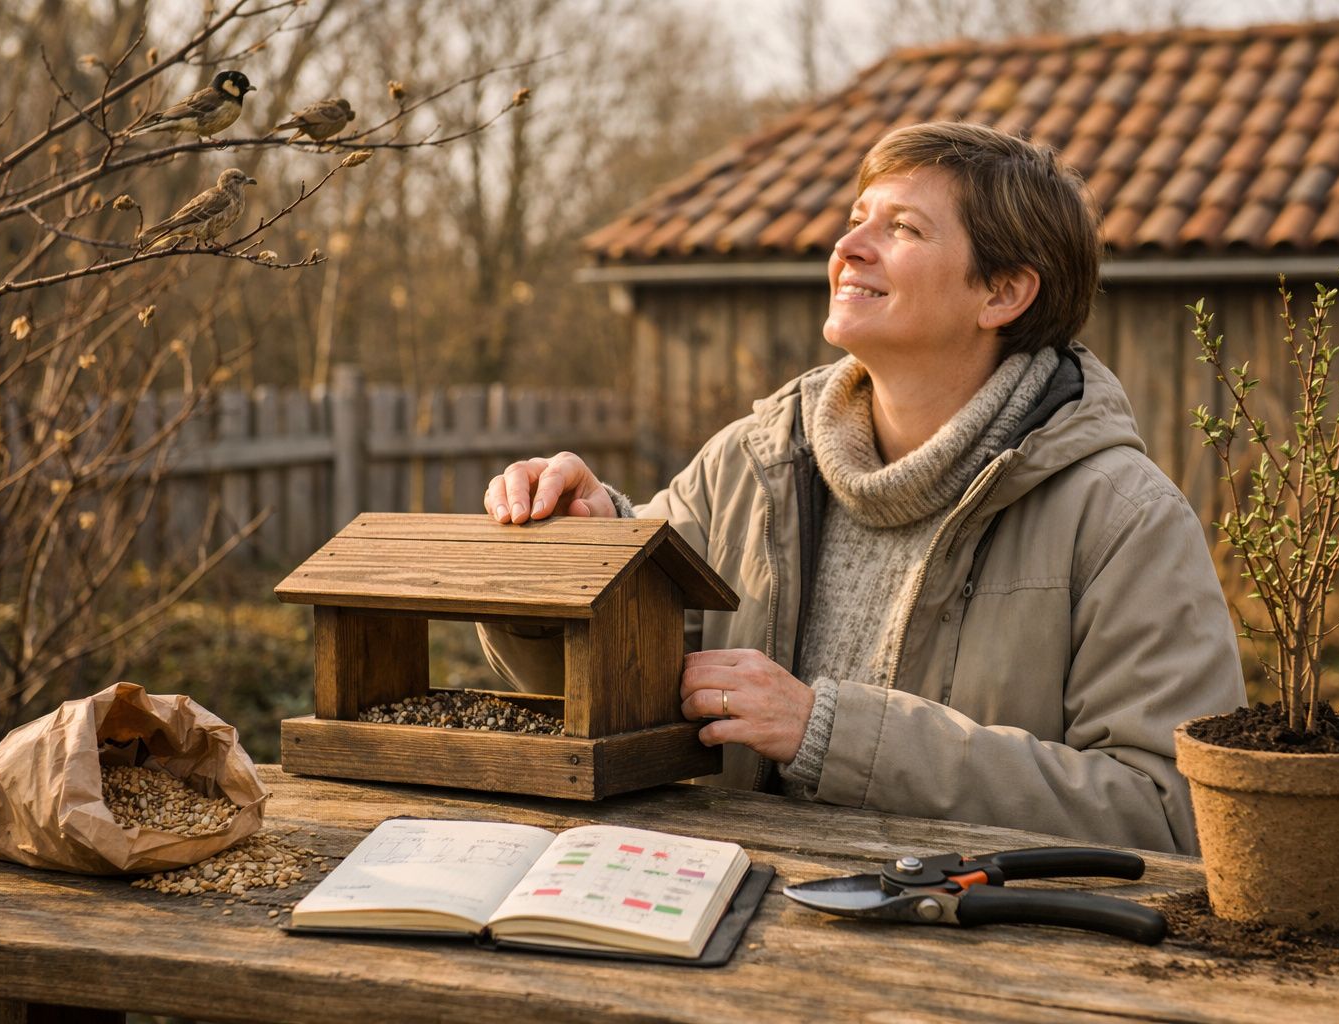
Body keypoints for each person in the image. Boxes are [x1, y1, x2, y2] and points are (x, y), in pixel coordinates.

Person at [479, 121, 1245, 855]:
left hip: (970, 936)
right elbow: (605, 696)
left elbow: (1169, 812)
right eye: (855, 220)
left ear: (1003, 293)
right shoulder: (747, 465)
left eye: (902, 228)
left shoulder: (1124, 518)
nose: (847, 248)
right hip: (721, 910)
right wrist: (571, 560)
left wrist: (829, 733)